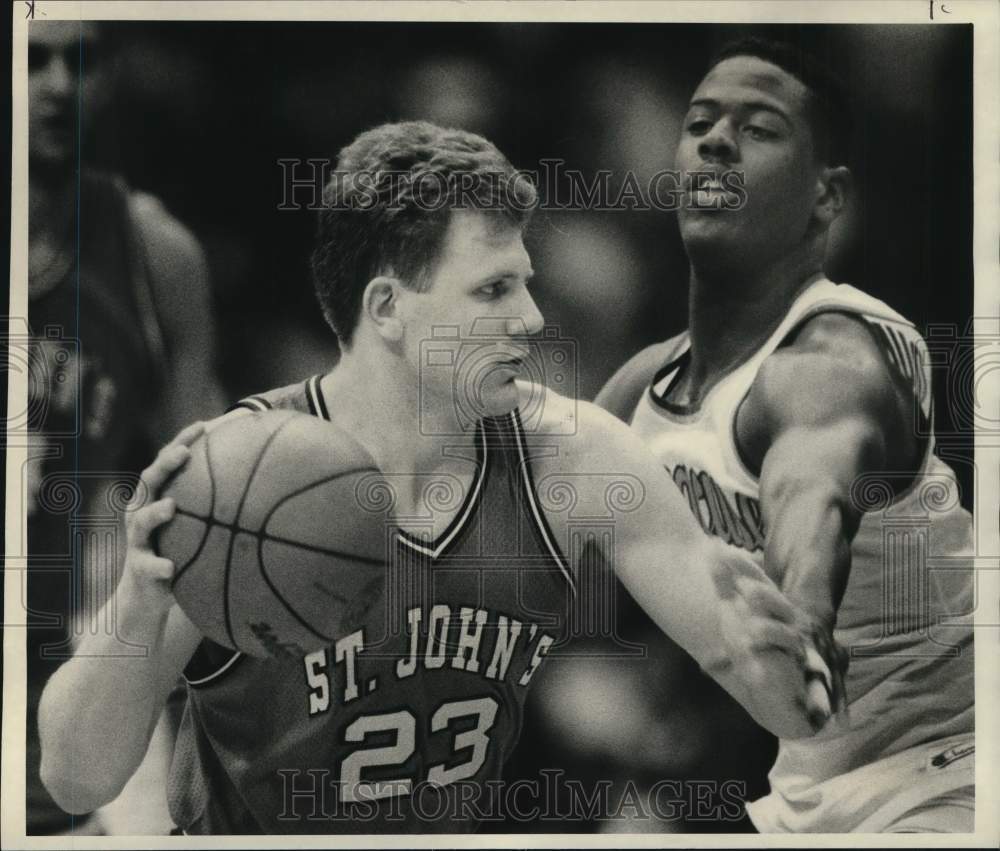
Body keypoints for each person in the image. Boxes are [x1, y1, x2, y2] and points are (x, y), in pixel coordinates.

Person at [38, 121, 842, 835]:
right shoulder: (233, 483)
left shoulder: (575, 457)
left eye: (525, 281)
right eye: (494, 289)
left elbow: (788, 700)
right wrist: (137, 608)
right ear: (388, 307)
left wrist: (784, 656)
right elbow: (74, 779)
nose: (531, 317)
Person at [596, 37, 975, 833]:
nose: (716, 140)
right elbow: (522, 557)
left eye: (759, 128)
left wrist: (802, 613)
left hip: (955, 769)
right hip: (800, 788)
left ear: (826, 196)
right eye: (699, 122)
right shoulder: (642, 389)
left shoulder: (832, 362)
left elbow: (813, 496)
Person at [26, 21, 224, 835]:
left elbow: (208, 496)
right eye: (32, 58)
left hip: (72, 655)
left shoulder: (154, 253)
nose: (59, 84)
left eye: (82, 59)